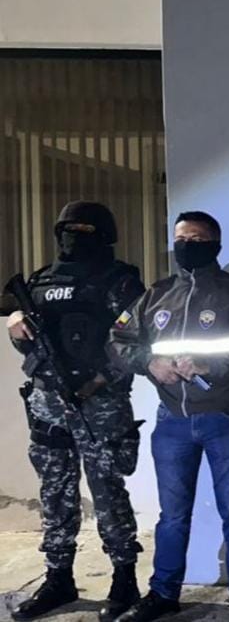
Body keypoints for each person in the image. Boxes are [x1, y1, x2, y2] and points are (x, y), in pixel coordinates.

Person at [108, 211, 229, 622]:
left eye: (197, 238)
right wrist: (150, 362)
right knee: (172, 516)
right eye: (181, 238)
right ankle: (163, 592)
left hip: (225, 417)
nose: (187, 245)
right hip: (172, 421)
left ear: (215, 244)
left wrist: (210, 366)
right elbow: (117, 341)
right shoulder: (157, 294)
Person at [5, 201, 145, 621]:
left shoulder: (120, 281)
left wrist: (97, 382)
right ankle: (58, 577)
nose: (74, 236)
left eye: (84, 230)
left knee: (108, 493)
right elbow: (29, 343)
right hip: (49, 402)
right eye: (69, 228)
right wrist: (16, 327)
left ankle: (124, 577)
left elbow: (135, 343)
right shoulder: (39, 282)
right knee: (55, 494)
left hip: (100, 403)